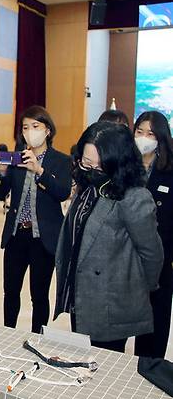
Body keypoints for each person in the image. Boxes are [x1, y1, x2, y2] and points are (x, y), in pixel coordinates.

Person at [54, 121, 163, 353]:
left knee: (104, 369)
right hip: (81, 295)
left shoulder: (134, 197)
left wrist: (131, 287)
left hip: (110, 301)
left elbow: (151, 254)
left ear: (118, 162)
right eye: (86, 163)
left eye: (99, 166)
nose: (91, 170)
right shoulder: (87, 185)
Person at [0, 105, 72, 334]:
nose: (30, 131)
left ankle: (38, 338)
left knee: (39, 295)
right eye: (26, 127)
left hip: (43, 238)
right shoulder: (16, 157)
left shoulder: (61, 161)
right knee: (11, 291)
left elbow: (62, 192)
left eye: (35, 126)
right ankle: (8, 332)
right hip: (17, 234)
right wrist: (4, 173)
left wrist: (39, 170)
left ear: (47, 130)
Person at [133, 111, 173, 358]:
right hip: (126, 260)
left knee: (155, 328)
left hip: (161, 260)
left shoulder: (169, 171)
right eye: (139, 132)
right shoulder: (125, 168)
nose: (144, 138)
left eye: (150, 133)